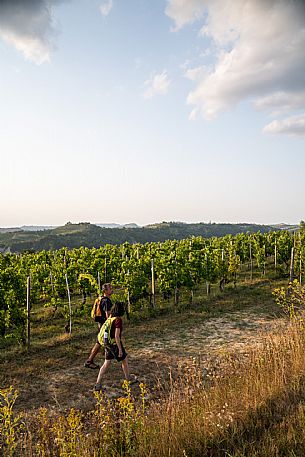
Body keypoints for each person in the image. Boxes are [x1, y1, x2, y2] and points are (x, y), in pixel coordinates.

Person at [94, 301, 132, 392]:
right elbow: (116, 336)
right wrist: (119, 349)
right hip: (114, 344)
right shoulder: (118, 320)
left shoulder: (110, 318)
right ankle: (128, 379)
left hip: (107, 343)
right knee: (124, 360)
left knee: (106, 364)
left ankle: (97, 384)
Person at [84, 283, 113, 369]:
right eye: (110, 288)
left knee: (101, 342)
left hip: (101, 324)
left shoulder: (102, 299)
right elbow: (108, 315)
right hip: (105, 325)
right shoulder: (106, 301)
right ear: (105, 291)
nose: (112, 289)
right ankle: (92, 361)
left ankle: (91, 360)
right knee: (103, 341)